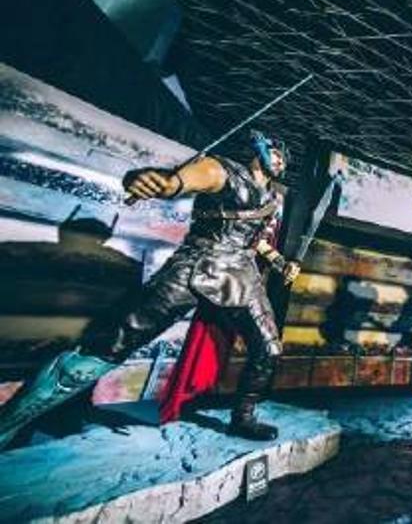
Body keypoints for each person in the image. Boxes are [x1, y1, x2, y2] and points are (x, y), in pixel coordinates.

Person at [0, 132, 299, 448]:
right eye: (276, 153)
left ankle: (243, 417)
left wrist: (279, 262)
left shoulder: (270, 197)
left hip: (240, 273)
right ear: (259, 149)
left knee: (268, 347)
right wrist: (164, 183)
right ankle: (10, 422)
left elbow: (252, 238)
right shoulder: (221, 170)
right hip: (194, 265)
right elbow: (182, 181)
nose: (280, 161)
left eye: (283, 159)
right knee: (113, 343)